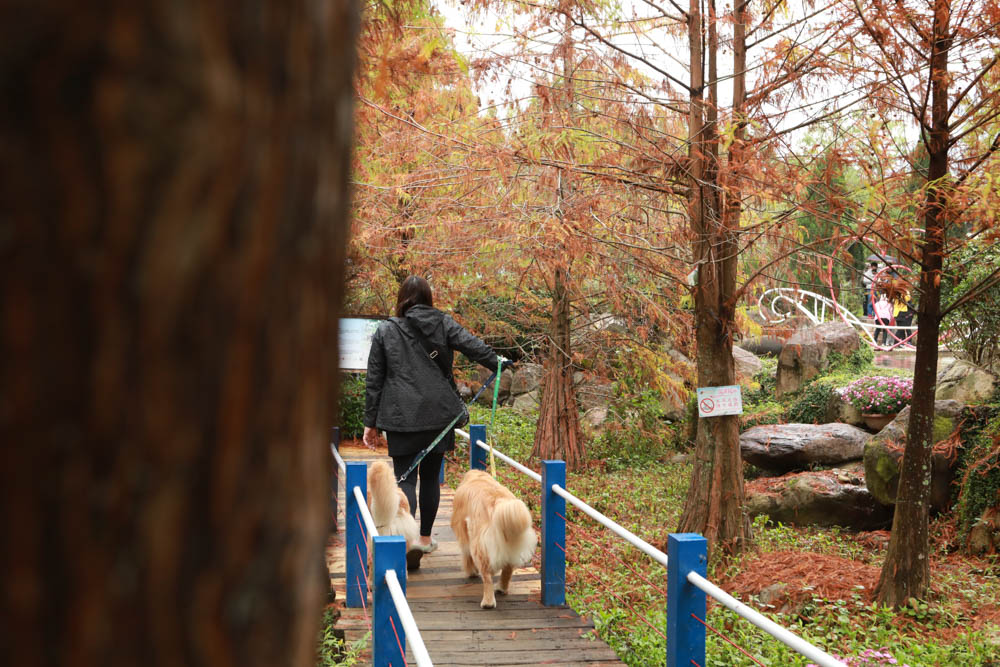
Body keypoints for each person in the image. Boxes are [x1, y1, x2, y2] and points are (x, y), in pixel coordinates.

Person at [363, 275, 501, 567]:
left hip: (400, 417)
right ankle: (425, 539)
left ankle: (407, 541)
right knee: (430, 479)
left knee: (405, 479)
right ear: (428, 298)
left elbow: (374, 378)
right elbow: (472, 345)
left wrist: (370, 422)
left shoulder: (386, 330)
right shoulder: (442, 322)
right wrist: (497, 363)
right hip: (439, 416)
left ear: (401, 299)